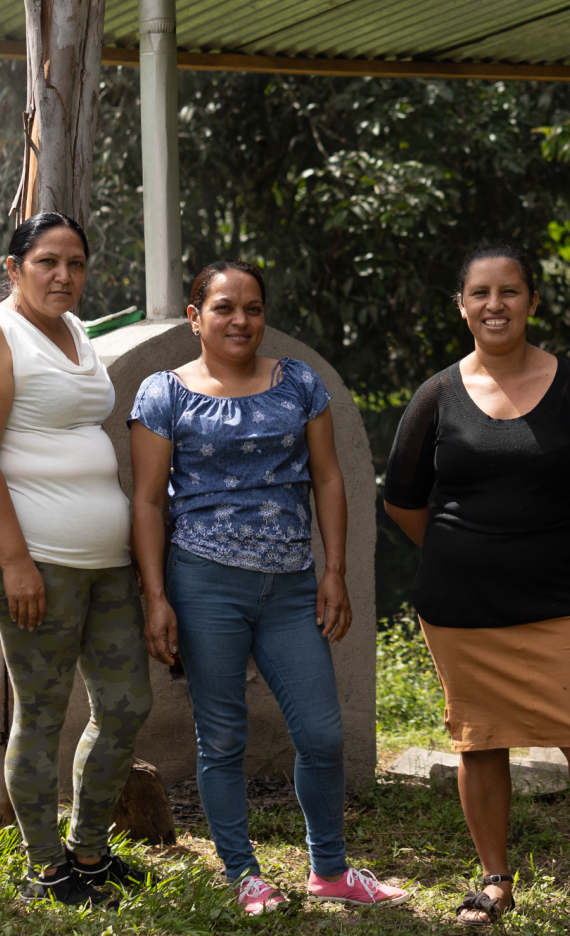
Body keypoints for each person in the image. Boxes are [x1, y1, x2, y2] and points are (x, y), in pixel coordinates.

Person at [129, 260, 408, 915]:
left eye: (252, 307)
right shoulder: (163, 393)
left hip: (290, 587)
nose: (241, 319)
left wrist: (334, 571)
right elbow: (145, 501)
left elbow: (330, 480)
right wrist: (156, 597)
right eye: (224, 307)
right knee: (222, 736)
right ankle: (241, 871)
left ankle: (330, 869)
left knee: (322, 732)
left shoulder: (300, 383)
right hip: (203, 586)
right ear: (195, 317)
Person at [384, 244, 570, 932]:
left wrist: (549, 547)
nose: (494, 304)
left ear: (532, 300)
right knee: (479, 740)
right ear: (462, 303)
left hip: (554, 597)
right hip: (458, 605)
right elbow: (403, 498)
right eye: (480, 292)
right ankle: (495, 879)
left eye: (510, 291)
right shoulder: (437, 393)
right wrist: (457, 550)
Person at [0, 212, 152, 907]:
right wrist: (15, 561)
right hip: (35, 560)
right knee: (41, 712)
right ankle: (45, 867)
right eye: (47, 262)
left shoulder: (74, 331)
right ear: (14, 268)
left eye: (75, 262)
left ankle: (89, 850)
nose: (64, 274)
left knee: (126, 703)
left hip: (106, 559)